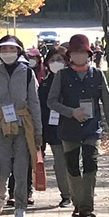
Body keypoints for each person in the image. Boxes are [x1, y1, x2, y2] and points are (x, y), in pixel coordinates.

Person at [47, 34, 109, 217]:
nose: (79, 56)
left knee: (90, 164)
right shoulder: (62, 75)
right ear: (70, 55)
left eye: (82, 52)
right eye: (75, 53)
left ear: (89, 54)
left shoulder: (97, 74)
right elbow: (52, 101)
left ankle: (86, 207)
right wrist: (71, 112)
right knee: (72, 166)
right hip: (69, 128)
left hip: (91, 127)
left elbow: (107, 101)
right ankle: (78, 203)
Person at [0, 35, 43, 217]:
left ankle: (20, 207)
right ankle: (1, 195)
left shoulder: (27, 73)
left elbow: (34, 103)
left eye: (12, 49)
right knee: (2, 169)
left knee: (21, 168)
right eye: (4, 50)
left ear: (19, 51)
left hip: (22, 125)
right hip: (1, 125)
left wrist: (38, 131)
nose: (8, 53)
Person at [38, 47, 72, 208]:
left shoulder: (72, 80)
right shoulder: (44, 83)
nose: (56, 63)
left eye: (59, 59)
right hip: (52, 129)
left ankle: (77, 192)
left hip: (72, 128)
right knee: (59, 163)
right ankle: (66, 195)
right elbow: (40, 109)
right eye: (52, 60)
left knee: (73, 162)